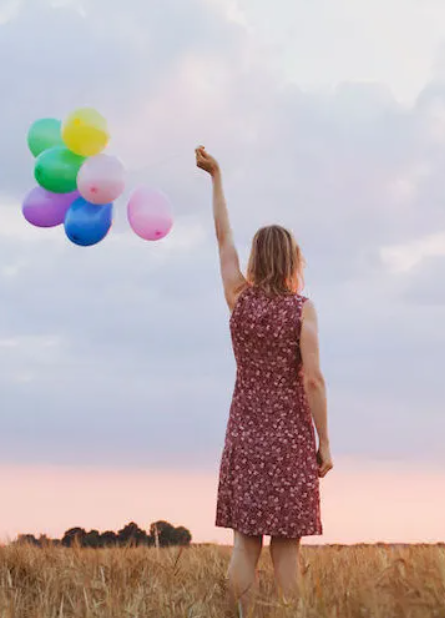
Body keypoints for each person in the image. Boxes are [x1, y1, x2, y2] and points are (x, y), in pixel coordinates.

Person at [195, 146, 333, 613]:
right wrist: (325, 442)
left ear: (256, 257)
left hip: (246, 431)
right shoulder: (302, 309)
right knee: (287, 549)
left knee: (245, 544)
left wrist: (216, 178)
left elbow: (221, 236)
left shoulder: (239, 298)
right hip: (291, 436)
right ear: (293, 259)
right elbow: (313, 380)